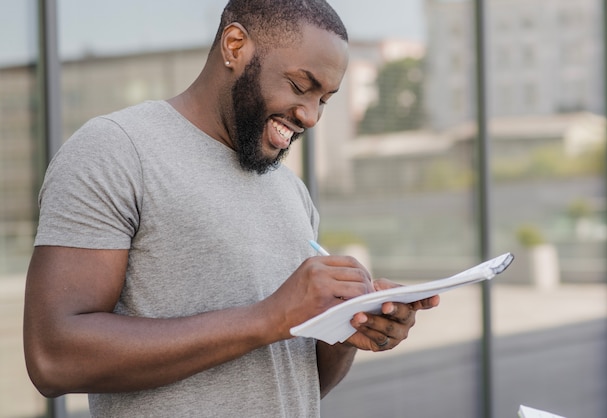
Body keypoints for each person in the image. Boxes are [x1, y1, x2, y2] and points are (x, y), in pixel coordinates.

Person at [23, 0, 440, 416]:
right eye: (299, 86)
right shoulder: (116, 150)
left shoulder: (291, 191)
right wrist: (268, 318)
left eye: (325, 99)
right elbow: (53, 357)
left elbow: (296, 386)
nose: (311, 117)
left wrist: (348, 327)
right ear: (235, 46)